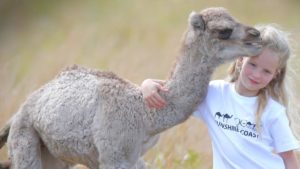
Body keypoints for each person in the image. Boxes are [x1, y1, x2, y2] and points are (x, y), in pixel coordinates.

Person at [140, 24, 300, 169]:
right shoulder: (215, 93)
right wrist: (147, 84)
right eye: (252, 64)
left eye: (266, 71)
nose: (257, 74)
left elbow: (289, 159)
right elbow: (174, 91)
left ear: (275, 75)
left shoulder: (273, 112)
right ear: (240, 59)